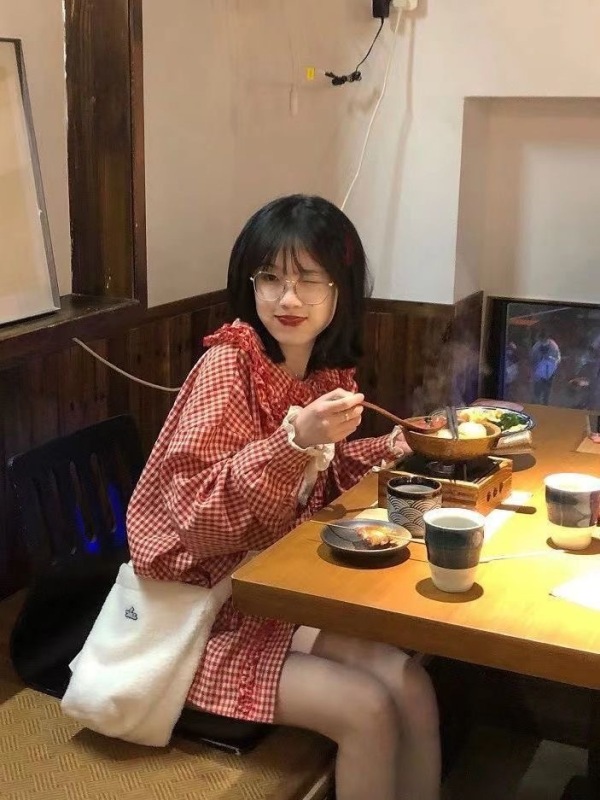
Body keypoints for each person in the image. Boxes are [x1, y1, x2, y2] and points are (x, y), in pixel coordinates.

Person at [126, 194, 441, 800]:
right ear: (250, 285)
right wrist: (294, 440)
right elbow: (196, 517)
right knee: (367, 710)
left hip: (271, 596)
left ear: (340, 289)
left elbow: (320, 480)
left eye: (309, 280)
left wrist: (393, 445)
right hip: (198, 614)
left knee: (411, 684)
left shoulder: (322, 372)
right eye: (270, 278)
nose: (288, 299)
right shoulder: (228, 366)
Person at [529, 328, 561, 405]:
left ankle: (544, 403)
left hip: (549, 371)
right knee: (538, 389)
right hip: (540, 372)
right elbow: (532, 358)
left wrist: (551, 365)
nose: (542, 340)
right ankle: (536, 402)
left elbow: (557, 359)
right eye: (541, 339)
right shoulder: (537, 346)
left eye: (543, 338)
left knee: (546, 390)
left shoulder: (553, 346)